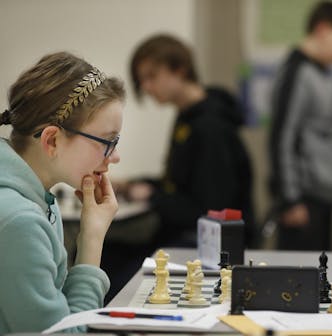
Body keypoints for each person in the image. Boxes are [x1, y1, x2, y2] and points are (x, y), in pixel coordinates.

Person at [0, 52, 125, 333]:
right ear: (52, 140)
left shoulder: (41, 201)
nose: (114, 157)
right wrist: (92, 239)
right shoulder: (19, 222)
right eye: (107, 141)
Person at [126, 34, 254, 247]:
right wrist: (135, 185)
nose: (146, 87)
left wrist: (153, 196)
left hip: (209, 244)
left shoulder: (211, 127)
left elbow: (212, 210)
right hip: (185, 235)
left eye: (152, 76)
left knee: (111, 263)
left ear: (180, 69)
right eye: (142, 81)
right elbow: (181, 186)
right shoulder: (186, 117)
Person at [268, 1, 332, 250]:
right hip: (302, 201)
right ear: (322, 29)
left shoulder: (320, 73)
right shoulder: (297, 72)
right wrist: (289, 200)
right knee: (297, 283)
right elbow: (281, 137)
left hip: (320, 197)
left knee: (320, 279)